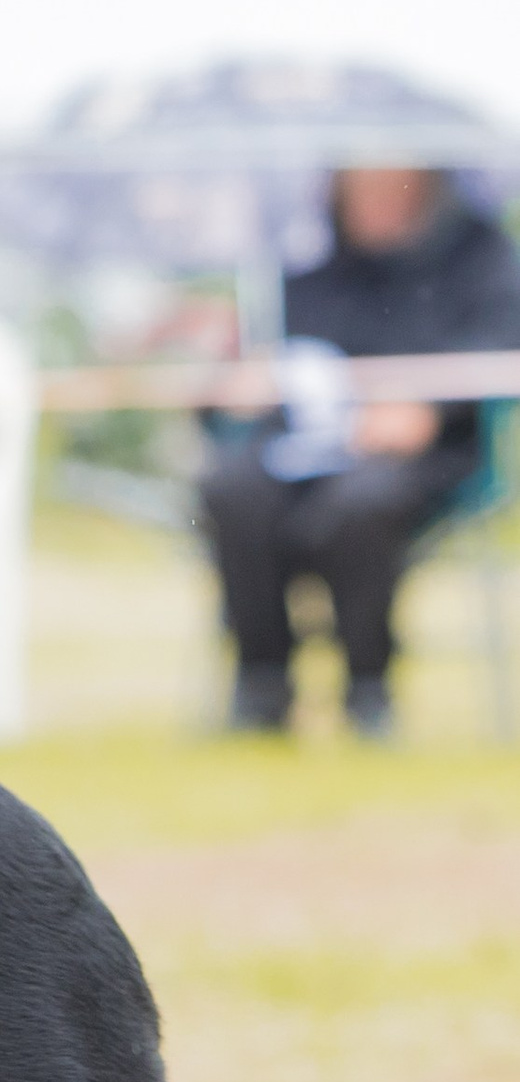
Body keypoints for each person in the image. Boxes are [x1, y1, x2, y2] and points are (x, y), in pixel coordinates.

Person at [203, 163, 520, 736]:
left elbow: (498, 345)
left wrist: (431, 408)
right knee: (231, 489)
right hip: (299, 442)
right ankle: (262, 684)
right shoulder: (300, 259)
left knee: (361, 503)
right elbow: (258, 364)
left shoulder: (482, 257)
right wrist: (239, 375)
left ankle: (368, 688)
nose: (377, 199)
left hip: (421, 453)